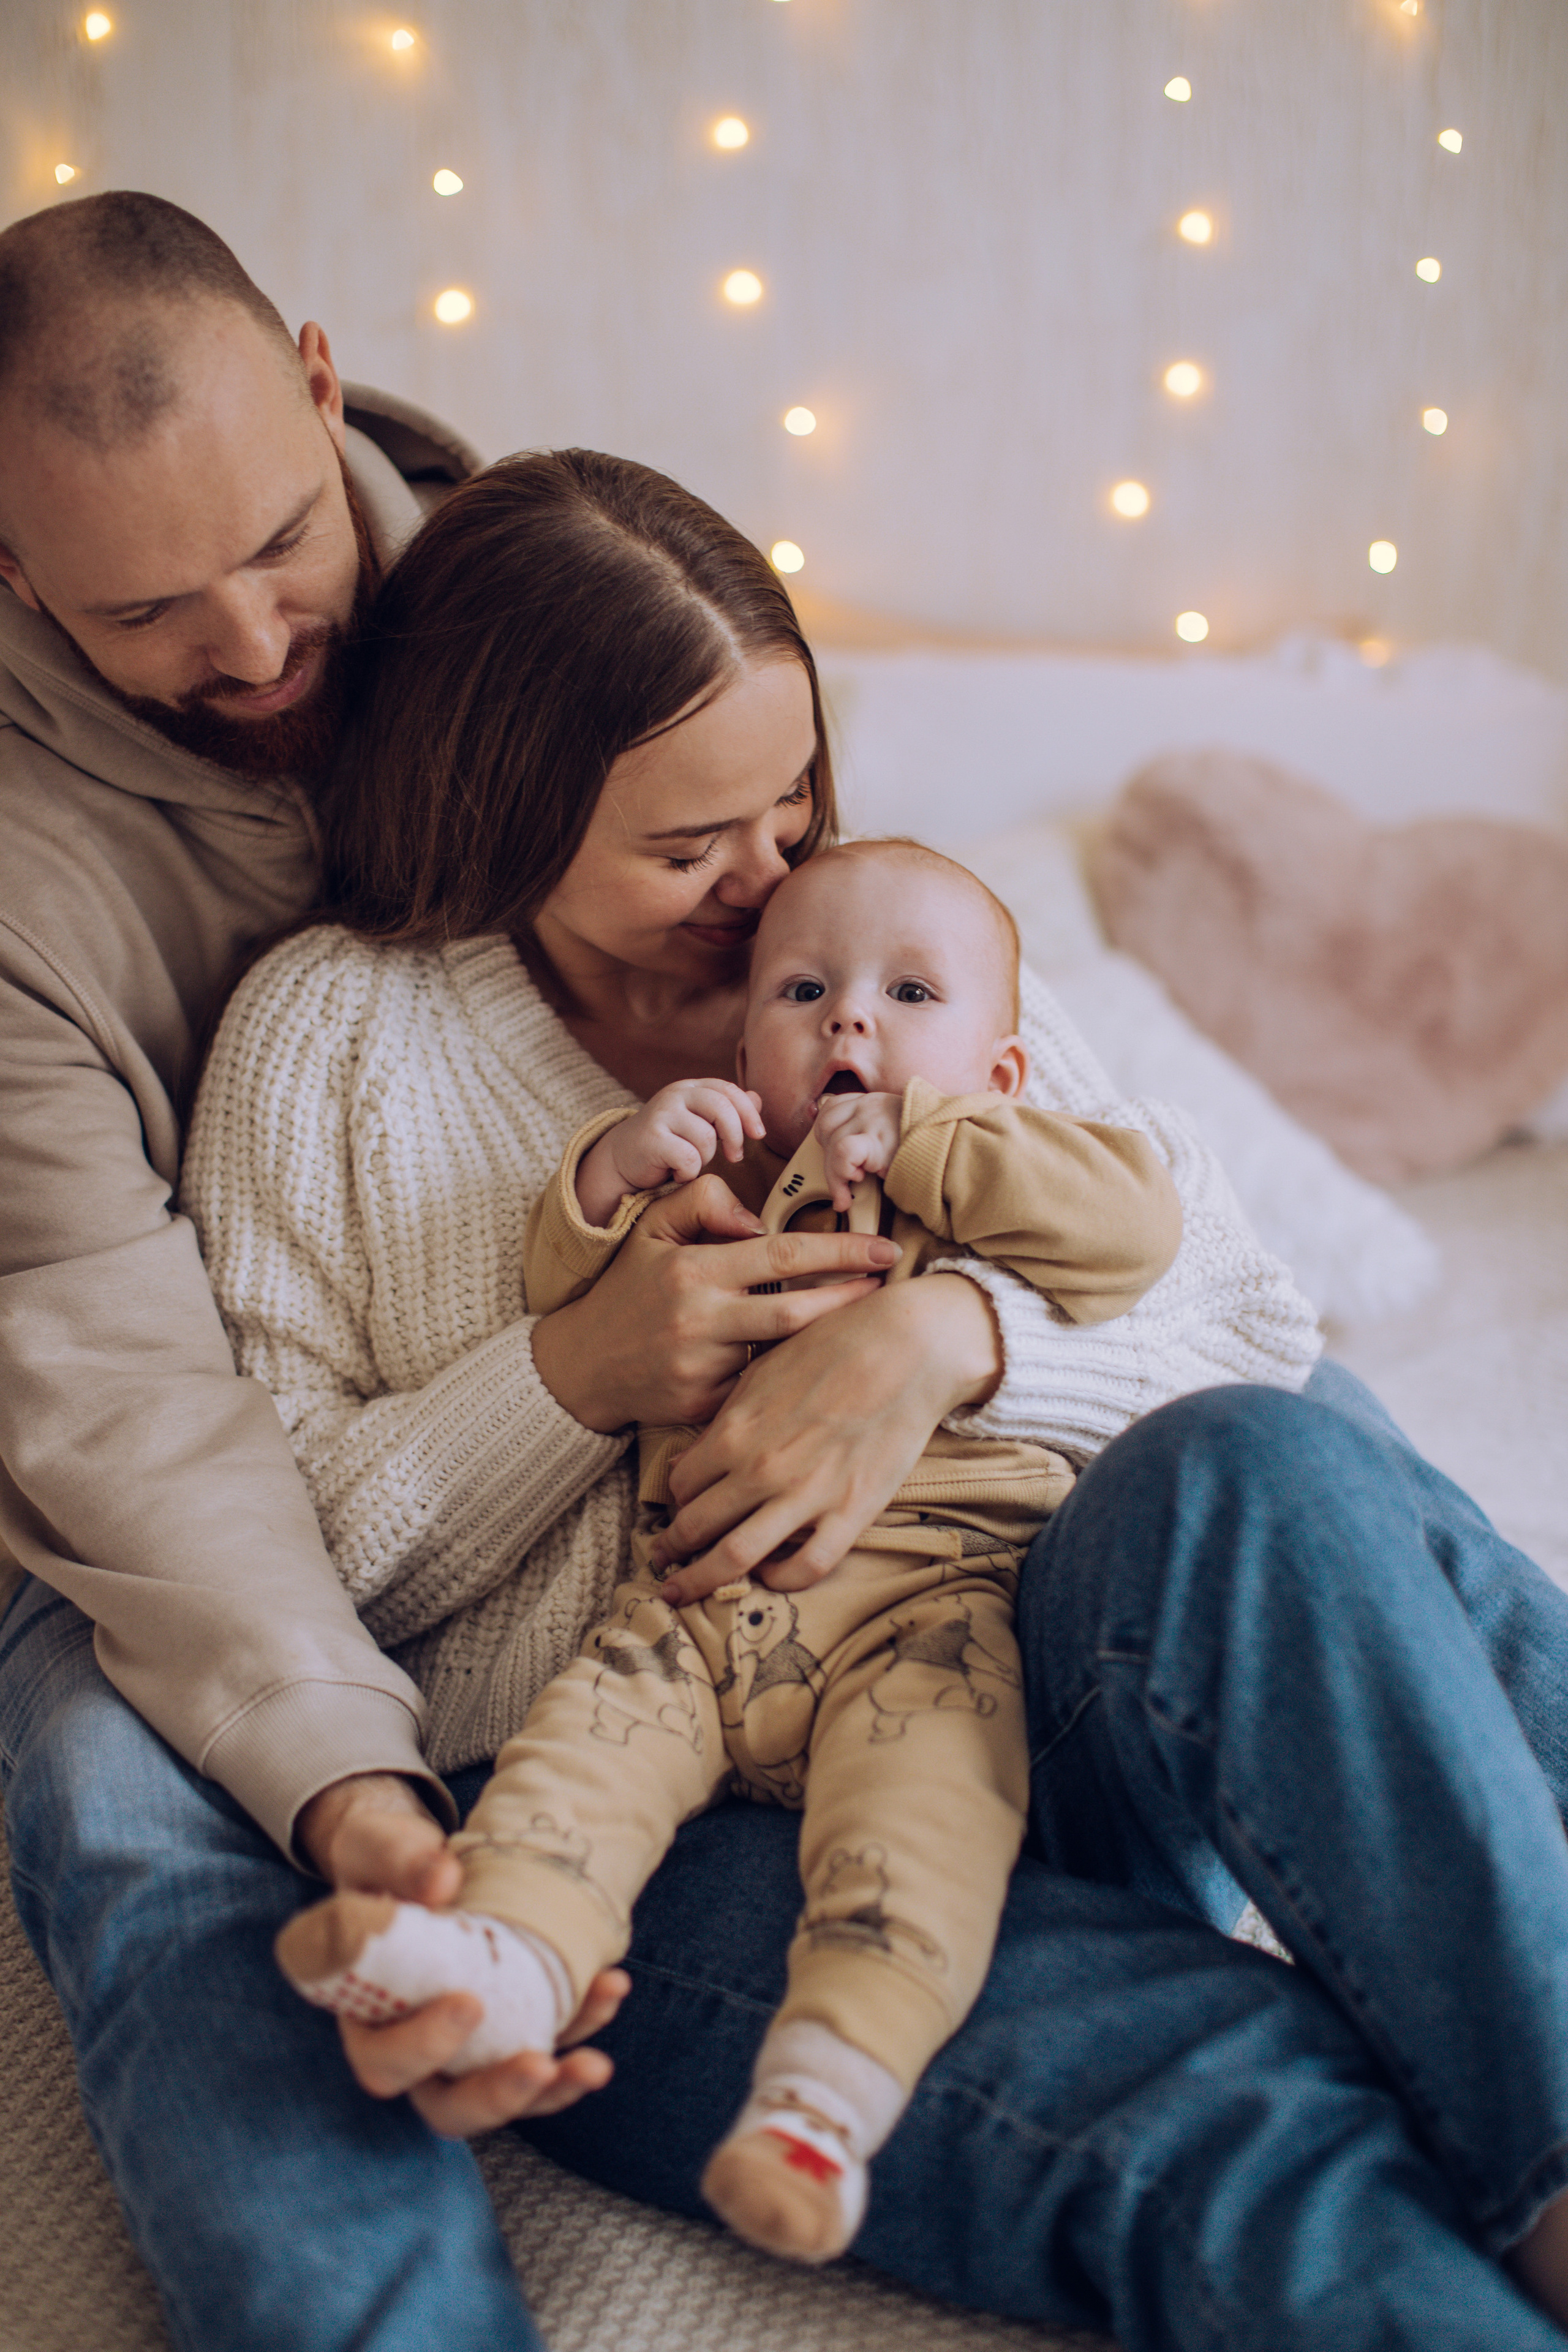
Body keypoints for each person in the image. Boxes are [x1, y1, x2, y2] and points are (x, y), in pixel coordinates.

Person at [3, 192, 1568, 2352]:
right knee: (1243, 2104)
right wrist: (573, 1374)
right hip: (648, 1779)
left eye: (800, 805)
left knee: (1281, 1471)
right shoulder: (334, 1043)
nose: (771, 896)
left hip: (1006, 1659)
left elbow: (1231, 1292)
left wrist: (949, 1332)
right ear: (518, 804)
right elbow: (277, 1532)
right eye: (688, 849)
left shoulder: (860, 940)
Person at [271, 835, 1185, 2264]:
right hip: (690, 1615)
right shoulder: (728, 1185)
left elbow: (1134, 1232)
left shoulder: (1006, 1168)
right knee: (568, 1771)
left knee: (917, 1844)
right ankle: (502, 1961)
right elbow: (560, 1300)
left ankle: (824, 2100)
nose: (849, 1024)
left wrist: (933, 1146)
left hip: (925, 1623)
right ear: (747, 1034)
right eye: (805, 991)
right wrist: (607, 1177)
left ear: (1004, 1072)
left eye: (905, 995)